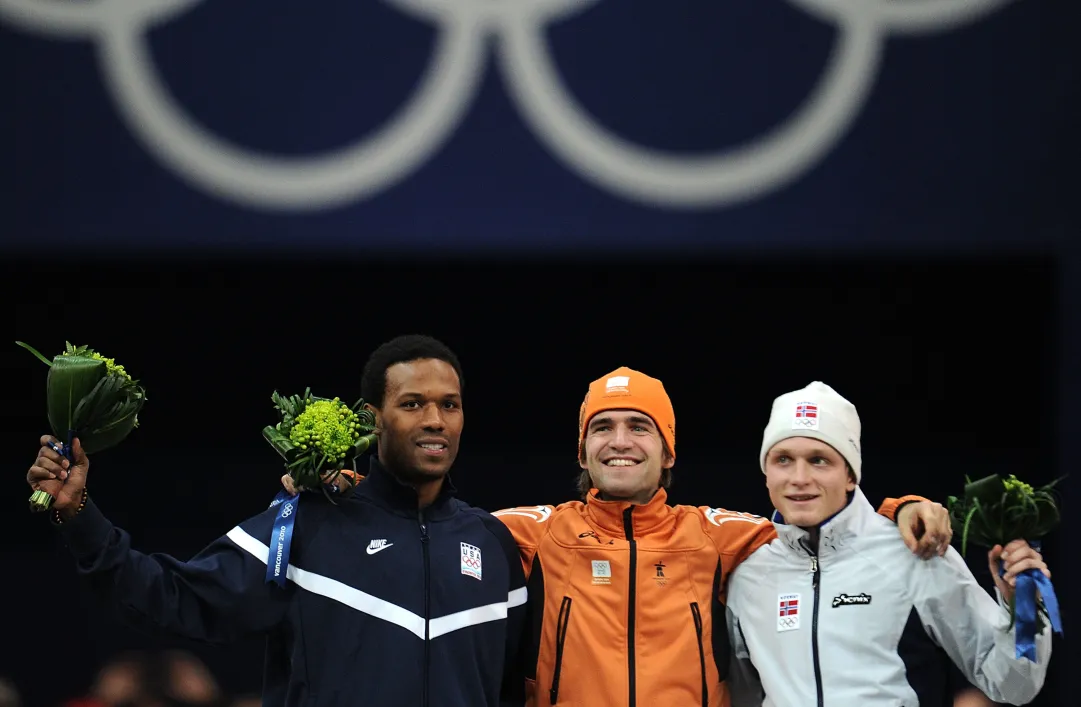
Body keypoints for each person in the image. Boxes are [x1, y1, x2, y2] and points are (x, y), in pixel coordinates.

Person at [287, 366, 950, 707]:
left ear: (667, 452)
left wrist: (899, 506)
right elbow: (422, 528)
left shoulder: (718, 535)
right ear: (584, 449)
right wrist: (345, 493)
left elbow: (823, 524)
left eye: (639, 426)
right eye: (603, 426)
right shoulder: (530, 532)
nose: (620, 440)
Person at [27, 334, 528, 707]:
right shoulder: (306, 526)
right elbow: (173, 598)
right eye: (412, 404)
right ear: (374, 419)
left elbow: (519, 688)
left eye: (450, 405)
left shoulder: (492, 545)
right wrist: (78, 515)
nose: (435, 420)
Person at [723, 381, 1052, 707]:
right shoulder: (748, 574)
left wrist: (1021, 609)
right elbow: (744, 696)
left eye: (819, 460)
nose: (799, 477)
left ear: (851, 474)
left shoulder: (914, 552)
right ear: (766, 471)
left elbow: (1013, 686)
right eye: (783, 459)